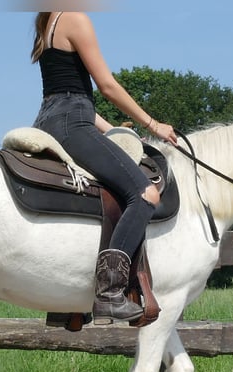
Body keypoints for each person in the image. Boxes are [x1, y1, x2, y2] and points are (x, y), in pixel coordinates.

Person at [31, 11, 178, 323]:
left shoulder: (48, 20)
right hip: (72, 124)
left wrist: (117, 133)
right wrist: (154, 125)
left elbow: (70, 96)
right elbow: (107, 86)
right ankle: (110, 292)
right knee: (144, 194)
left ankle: (66, 302)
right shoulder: (74, 17)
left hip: (52, 120)